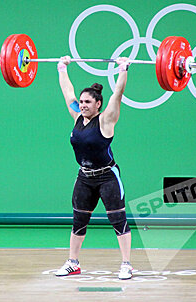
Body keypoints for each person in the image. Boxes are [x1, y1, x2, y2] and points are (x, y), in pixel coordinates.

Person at [54, 55, 132, 280]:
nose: (83, 105)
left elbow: (117, 95)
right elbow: (67, 93)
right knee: (78, 220)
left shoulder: (106, 119)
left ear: (98, 104)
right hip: (84, 177)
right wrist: (62, 68)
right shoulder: (77, 116)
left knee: (118, 220)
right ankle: (73, 262)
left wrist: (123, 70)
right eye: (82, 102)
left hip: (107, 177)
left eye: (88, 102)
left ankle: (126, 264)